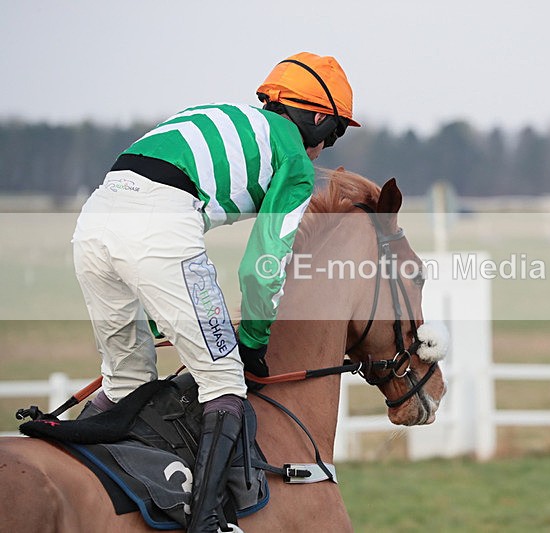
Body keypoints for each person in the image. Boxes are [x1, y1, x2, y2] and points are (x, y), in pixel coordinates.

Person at [72, 52, 359, 532]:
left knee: (126, 382)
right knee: (224, 379)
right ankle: (209, 523)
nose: (328, 145)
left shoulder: (221, 115)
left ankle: (65, 465)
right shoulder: (294, 159)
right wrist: (252, 340)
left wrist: (172, 317)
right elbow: (262, 266)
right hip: (160, 227)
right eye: (337, 131)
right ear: (316, 118)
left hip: (94, 220)